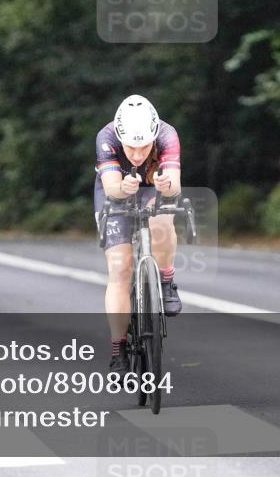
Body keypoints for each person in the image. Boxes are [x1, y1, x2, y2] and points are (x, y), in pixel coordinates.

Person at [94, 95, 182, 377]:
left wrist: (165, 185)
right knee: (120, 268)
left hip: (153, 189)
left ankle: (166, 281)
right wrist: (124, 187)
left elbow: (174, 188)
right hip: (117, 191)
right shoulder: (106, 137)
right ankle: (118, 350)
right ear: (121, 138)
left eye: (144, 146)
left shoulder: (168, 135)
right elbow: (111, 189)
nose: (136, 154)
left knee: (162, 222)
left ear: (154, 136)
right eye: (130, 147)